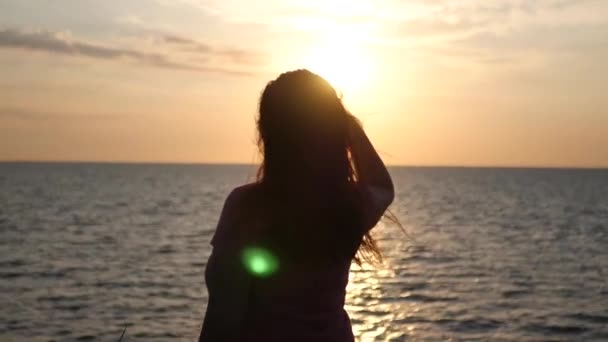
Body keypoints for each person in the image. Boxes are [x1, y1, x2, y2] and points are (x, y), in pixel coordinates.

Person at [199, 69, 394, 342]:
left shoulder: (247, 208)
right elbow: (382, 187)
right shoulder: (346, 207)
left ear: (270, 133)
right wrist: (346, 124)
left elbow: (223, 319)